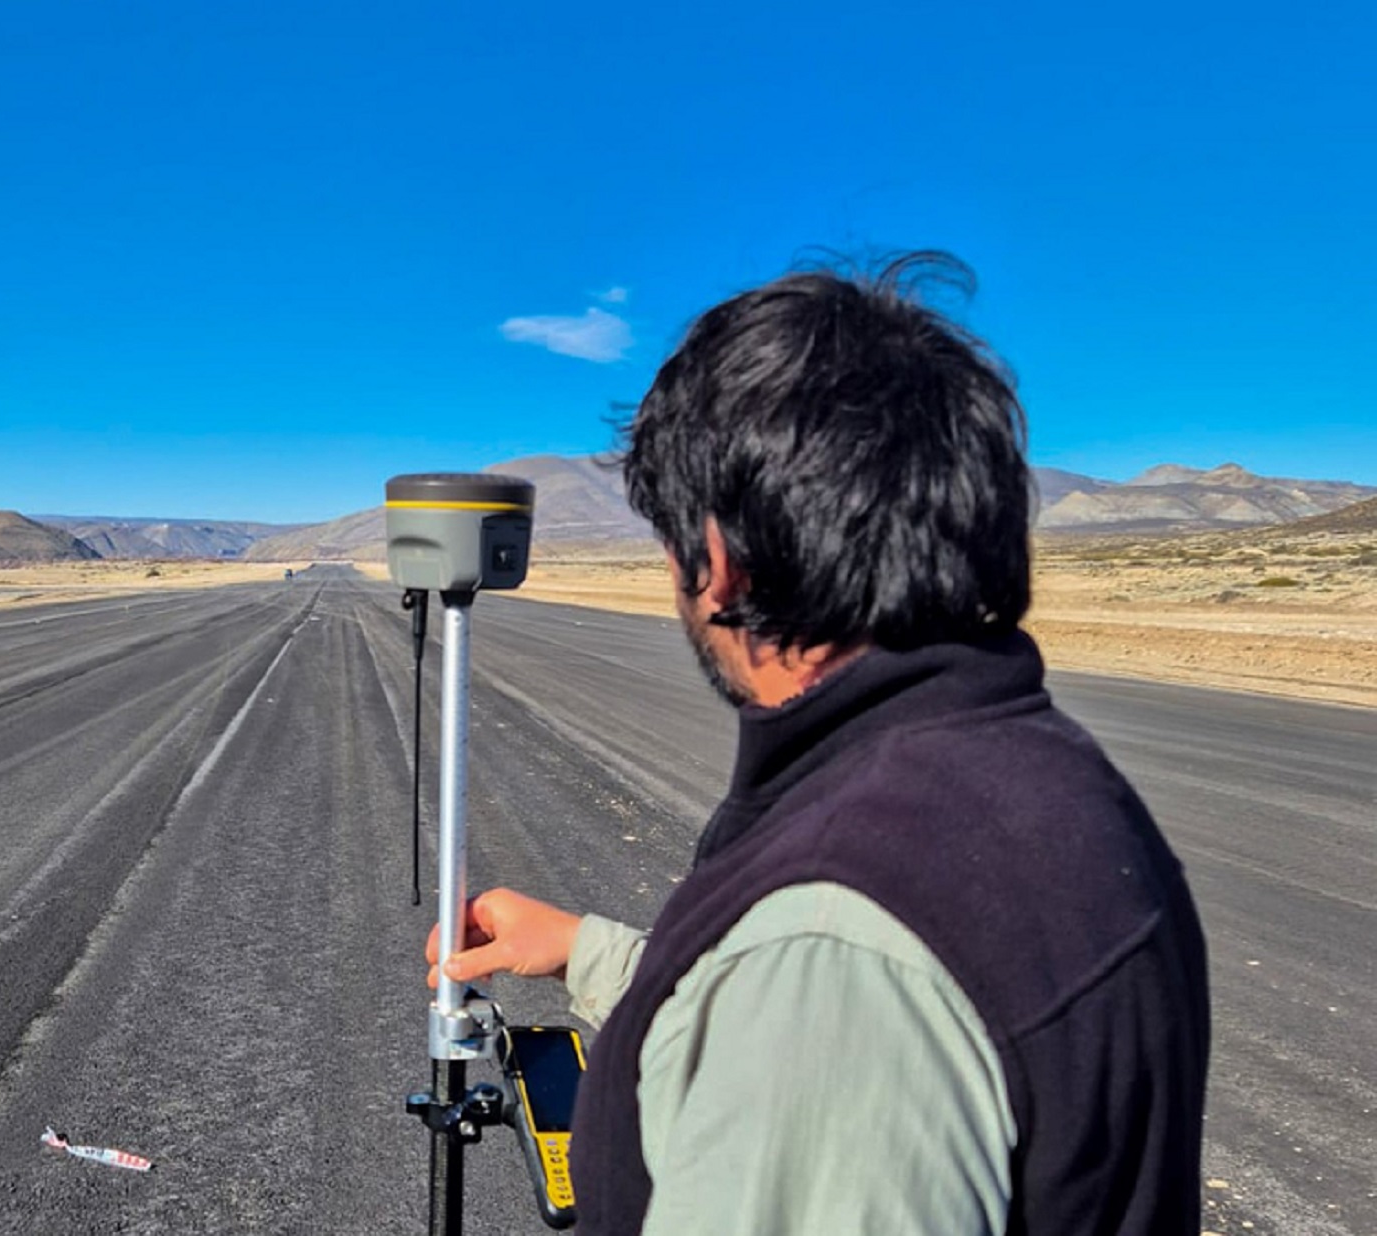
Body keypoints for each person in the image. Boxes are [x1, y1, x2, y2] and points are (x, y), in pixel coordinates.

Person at [425, 253, 1210, 1234]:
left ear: (716, 559)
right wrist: (591, 953)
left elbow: (826, 1010)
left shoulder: (834, 962)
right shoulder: (1054, 784)